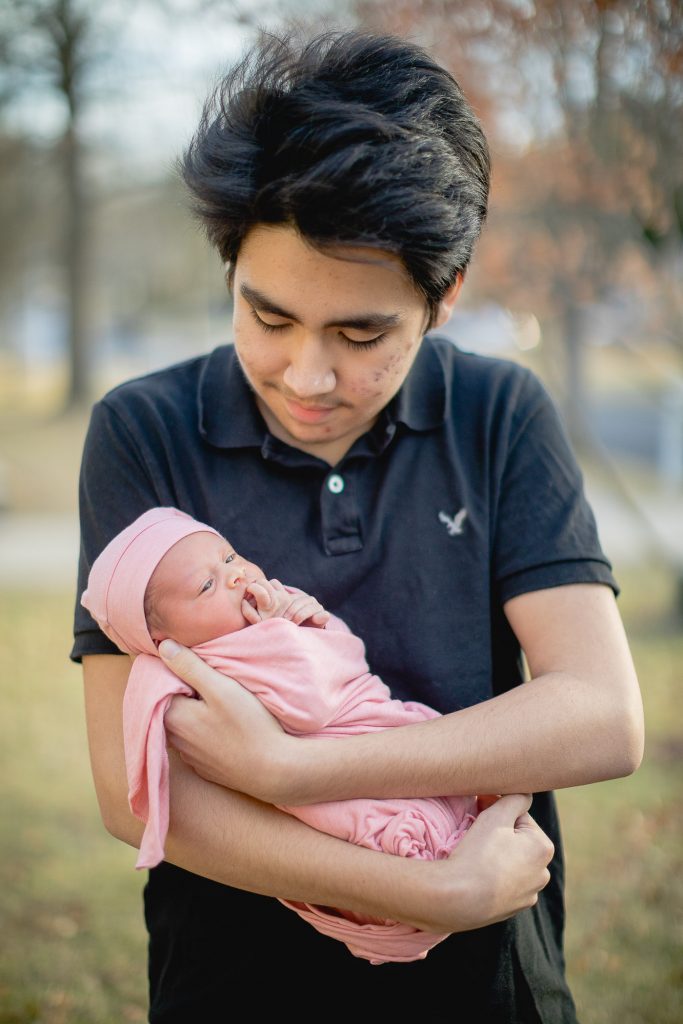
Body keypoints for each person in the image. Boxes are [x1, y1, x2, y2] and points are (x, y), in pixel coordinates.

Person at [72, 29, 643, 1023]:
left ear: (445, 294)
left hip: (490, 994)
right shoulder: (144, 430)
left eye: (361, 333)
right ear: (230, 265)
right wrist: (432, 893)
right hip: (233, 989)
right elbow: (133, 793)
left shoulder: (499, 414)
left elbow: (598, 715)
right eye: (268, 316)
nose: (307, 375)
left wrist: (297, 767)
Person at [81, 504, 478, 964]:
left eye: (229, 558)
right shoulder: (216, 660)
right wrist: (285, 629)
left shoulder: (254, 618)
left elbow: (350, 661)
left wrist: (309, 620)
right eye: (206, 585)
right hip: (325, 768)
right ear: (158, 636)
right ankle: (411, 856)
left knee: (432, 752)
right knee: (365, 815)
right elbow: (309, 702)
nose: (234, 576)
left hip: (360, 735)